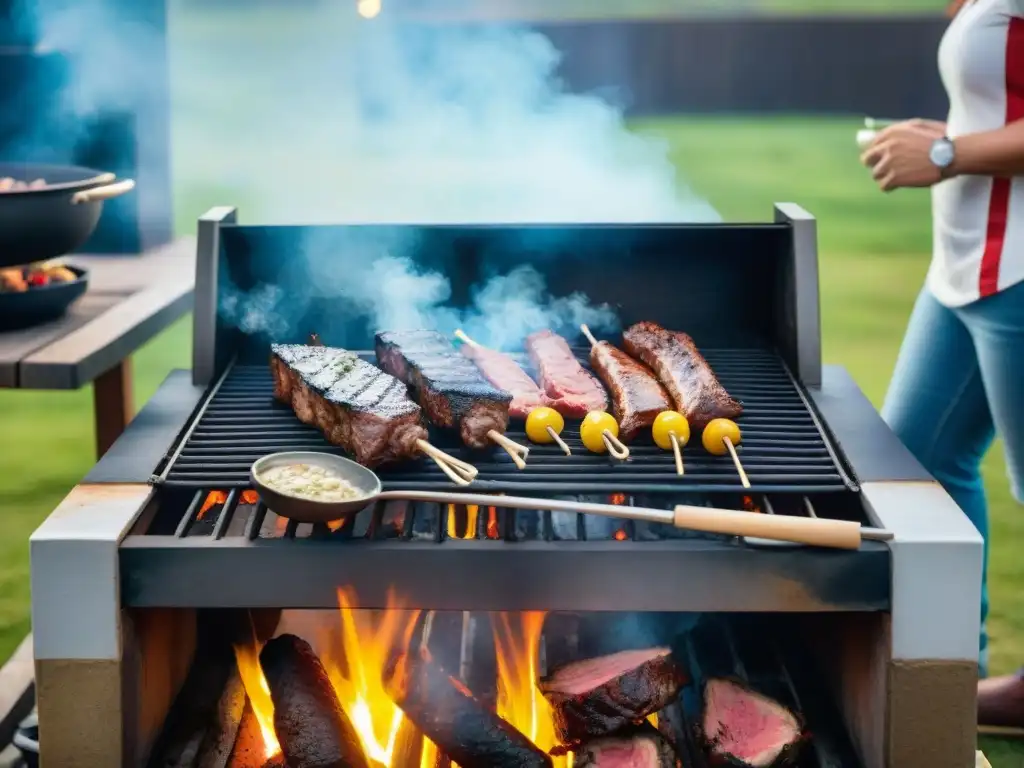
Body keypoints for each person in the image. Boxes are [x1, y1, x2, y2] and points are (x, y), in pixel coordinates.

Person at [859, 0, 1024, 733]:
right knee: (917, 461)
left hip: (1018, 270)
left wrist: (948, 153)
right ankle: (959, 668)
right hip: (960, 268)